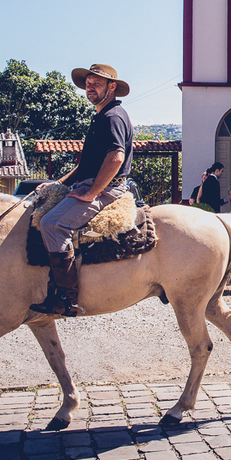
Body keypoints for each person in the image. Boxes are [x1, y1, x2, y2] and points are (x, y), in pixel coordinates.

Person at [31, 63, 134, 318]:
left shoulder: (112, 117)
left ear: (112, 87)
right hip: (91, 185)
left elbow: (116, 157)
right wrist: (58, 184)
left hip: (106, 190)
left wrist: (92, 193)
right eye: (88, 83)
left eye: (96, 83)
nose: (90, 87)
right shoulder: (101, 117)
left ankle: (67, 299)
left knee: (52, 224)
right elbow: (84, 166)